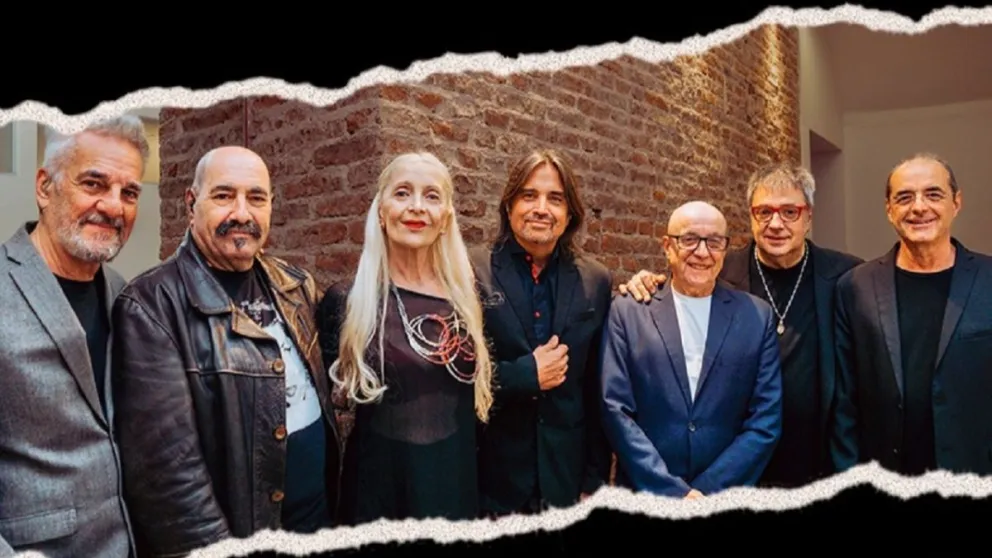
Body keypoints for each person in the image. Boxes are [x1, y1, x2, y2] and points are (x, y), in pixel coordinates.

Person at [111, 146, 342, 556]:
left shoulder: (295, 285)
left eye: (256, 198)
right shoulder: (152, 305)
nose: (241, 213)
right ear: (191, 204)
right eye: (223, 195)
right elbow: (168, 478)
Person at [618, 163, 862, 487]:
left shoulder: (846, 277)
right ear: (751, 216)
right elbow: (677, 288)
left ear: (808, 217)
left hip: (817, 461)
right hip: (734, 465)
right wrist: (647, 282)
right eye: (764, 212)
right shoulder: (718, 269)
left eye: (790, 212)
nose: (776, 224)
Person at [316, 151, 494, 525]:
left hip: (455, 492)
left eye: (432, 196)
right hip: (378, 502)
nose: (417, 207)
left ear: (446, 217)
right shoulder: (346, 301)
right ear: (381, 211)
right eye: (402, 193)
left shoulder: (468, 298)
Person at [0, 115, 149, 557]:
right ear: (45, 187)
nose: (114, 207)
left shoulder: (124, 294)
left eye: (129, 193)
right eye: (94, 183)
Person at [601, 201, 783, 498]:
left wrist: (707, 491)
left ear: (725, 249)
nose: (702, 252)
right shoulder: (628, 312)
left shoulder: (756, 317)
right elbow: (615, 409)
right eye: (689, 239)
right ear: (667, 246)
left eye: (714, 242)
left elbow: (765, 419)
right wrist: (672, 492)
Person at [471, 149, 613, 516]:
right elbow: (454, 377)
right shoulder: (472, 270)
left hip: (566, 479)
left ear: (570, 213)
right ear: (509, 206)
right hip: (492, 480)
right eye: (529, 195)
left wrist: (595, 479)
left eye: (555, 199)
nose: (541, 208)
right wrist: (524, 375)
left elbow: (597, 388)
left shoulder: (596, 280)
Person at [832, 153, 992, 477]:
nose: (919, 207)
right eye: (904, 197)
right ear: (889, 209)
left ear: (956, 203)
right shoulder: (855, 287)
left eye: (933, 194)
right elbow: (844, 400)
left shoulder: (989, 279)